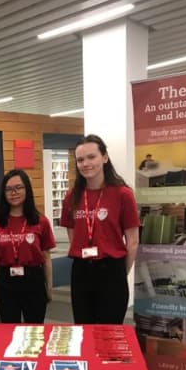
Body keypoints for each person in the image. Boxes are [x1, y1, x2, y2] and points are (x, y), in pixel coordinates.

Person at [60, 135, 140, 324]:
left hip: (111, 269)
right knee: (83, 328)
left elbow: (133, 240)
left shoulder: (123, 194)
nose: (86, 163)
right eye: (80, 160)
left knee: (110, 331)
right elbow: (72, 233)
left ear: (104, 157)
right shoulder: (72, 196)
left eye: (91, 157)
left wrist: (121, 271)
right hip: (81, 270)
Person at [0, 169, 55, 324]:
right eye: (8, 189)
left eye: (18, 188)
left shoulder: (40, 221)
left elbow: (46, 257)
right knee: (10, 330)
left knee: (35, 330)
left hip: (33, 280)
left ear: (27, 189)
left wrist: (49, 287)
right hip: (6, 282)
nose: (13, 193)